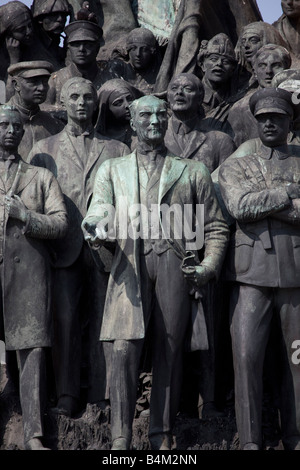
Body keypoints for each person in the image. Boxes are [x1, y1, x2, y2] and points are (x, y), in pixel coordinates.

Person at [81, 95, 229, 450]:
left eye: (160, 114)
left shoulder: (192, 170)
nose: (154, 121)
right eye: (145, 115)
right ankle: (120, 436)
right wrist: (98, 224)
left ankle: (162, 434)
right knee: (122, 350)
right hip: (130, 262)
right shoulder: (113, 169)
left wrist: (208, 266)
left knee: (170, 348)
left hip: (174, 262)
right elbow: (99, 205)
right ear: (131, 123)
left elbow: (215, 226)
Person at [28, 77, 130, 417]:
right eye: (74, 96)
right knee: (65, 320)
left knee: (106, 321)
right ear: (64, 103)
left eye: (88, 96)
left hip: (105, 247)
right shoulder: (43, 149)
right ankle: (67, 395)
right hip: (62, 247)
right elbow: (35, 200)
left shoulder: (118, 148)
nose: (82, 102)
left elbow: (128, 200)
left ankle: (103, 395)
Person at [218, 87, 300, 450]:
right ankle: (250, 442)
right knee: (247, 358)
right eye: (264, 118)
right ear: (255, 121)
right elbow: (239, 207)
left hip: (296, 274)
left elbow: (255, 204)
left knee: (299, 361)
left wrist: (262, 199)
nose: (269, 123)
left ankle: (296, 436)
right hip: (251, 275)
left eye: (277, 118)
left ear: (289, 121)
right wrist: (287, 194)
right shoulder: (237, 165)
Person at [0, 104, 68, 450]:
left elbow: (60, 223)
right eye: (3, 125)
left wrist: (26, 215)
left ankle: (34, 434)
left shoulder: (40, 177)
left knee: (33, 351)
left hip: (29, 274)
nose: (11, 131)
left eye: (16, 126)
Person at [165, 73, 236, 174]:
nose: (179, 92)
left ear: (200, 98)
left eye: (188, 89)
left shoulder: (221, 141)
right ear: (168, 97)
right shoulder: (155, 137)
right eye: (174, 88)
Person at [227, 44, 292, 147]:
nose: (269, 71)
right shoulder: (239, 109)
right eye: (262, 66)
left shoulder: (296, 103)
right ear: (254, 72)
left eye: (276, 65)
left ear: (286, 69)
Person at [7, 60, 63, 161]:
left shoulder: (55, 126)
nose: (41, 88)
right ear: (16, 85)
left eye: (45, 82)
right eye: (33, 82)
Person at [45, 18, 103, 116]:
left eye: (88, 45)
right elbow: (45, 112)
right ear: (69, 48)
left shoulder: (107, 76)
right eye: (76, 44)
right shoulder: (54, 80)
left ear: (97, 49)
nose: (81, 49)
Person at [196, 33, 239, 135]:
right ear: (202, 65)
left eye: (225, 61)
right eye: (214, 59)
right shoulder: (191, 96)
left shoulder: (236, 99)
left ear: (232, 70)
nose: (219, 64)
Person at [103, 27, 162, 96]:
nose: (138, 54)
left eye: (144, 49)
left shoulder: (158, 74)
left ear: (152, 52)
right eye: (133, 48)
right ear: (128, 50)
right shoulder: (118, 69)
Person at [95, 78, 143, 150]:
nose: (127, 105)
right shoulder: (98, 141)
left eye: (129, 99)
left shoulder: (146, 131)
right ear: (107, 110)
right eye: (118, 103)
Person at [31, 0, 71, 71]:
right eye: (54, 14)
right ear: (40, 18)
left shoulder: (63, 48)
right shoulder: (31, 48)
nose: (60, 19)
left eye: (63, 15)